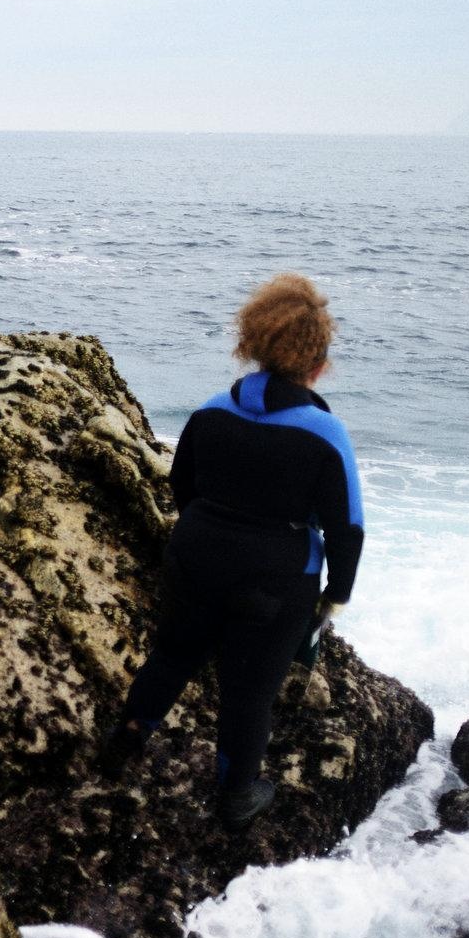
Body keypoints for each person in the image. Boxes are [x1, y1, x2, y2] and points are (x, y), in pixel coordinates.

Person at [97, 274, 364, 831]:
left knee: (172, 655)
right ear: (318, 364)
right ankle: (238, 793)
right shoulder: (326, 433)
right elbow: (347, 530)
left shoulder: (212, 410)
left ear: (254, 345)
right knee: (249, 692)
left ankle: (125, 740)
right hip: (275, 579)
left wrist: (211, 535)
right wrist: (335, 596)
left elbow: (182, 483)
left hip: (194, 554)